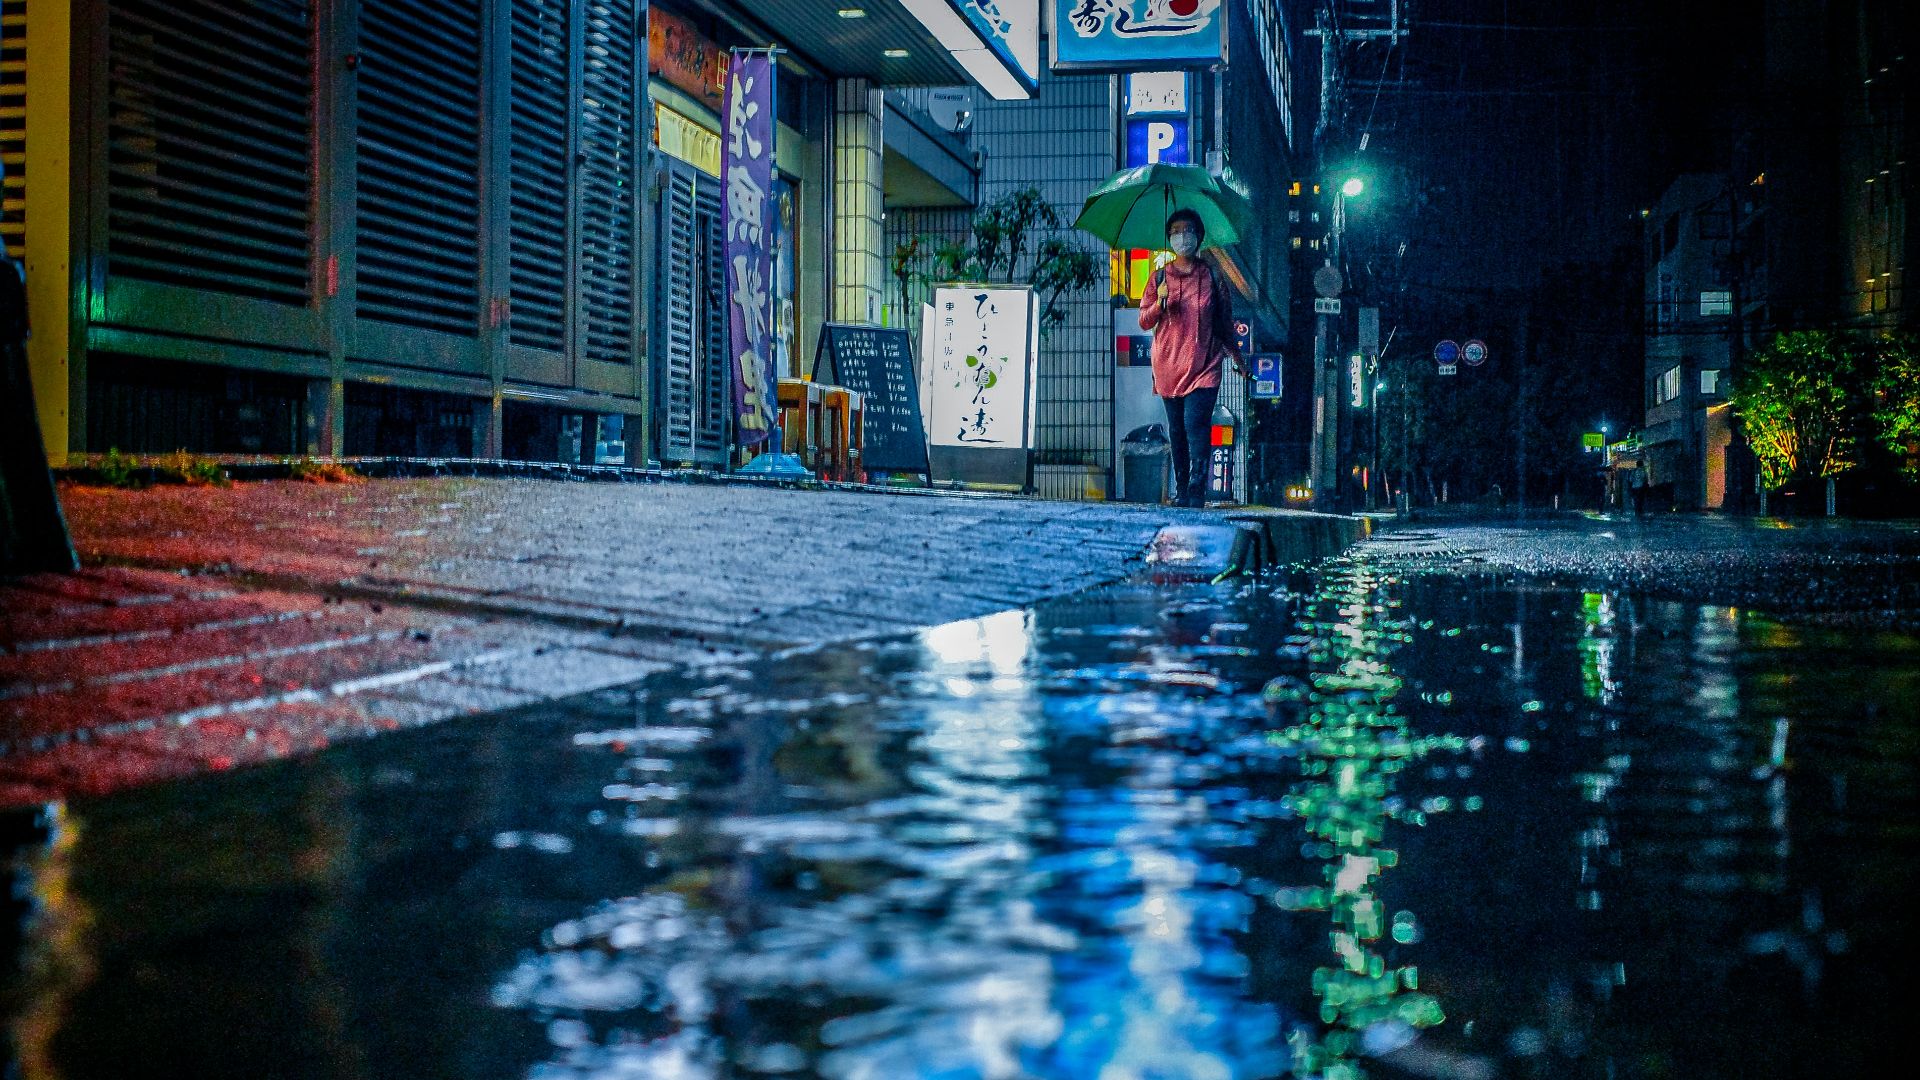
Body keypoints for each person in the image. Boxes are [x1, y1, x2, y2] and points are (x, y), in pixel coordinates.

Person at [1137, 208, 1243, 507]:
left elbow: (1224, 323)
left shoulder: (1211, 275)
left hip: (1205, 365)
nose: (1182, 236)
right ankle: (1182, 489)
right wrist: (1159, 303)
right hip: (1169, 366)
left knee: (1196, 424)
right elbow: (1144, 320)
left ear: (1199, 236)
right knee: (1178, 430)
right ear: (1169, 237)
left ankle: (1196, 490)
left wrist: (1238, 358)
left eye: (1188, 230)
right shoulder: (1159, 277)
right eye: (1176, 231)